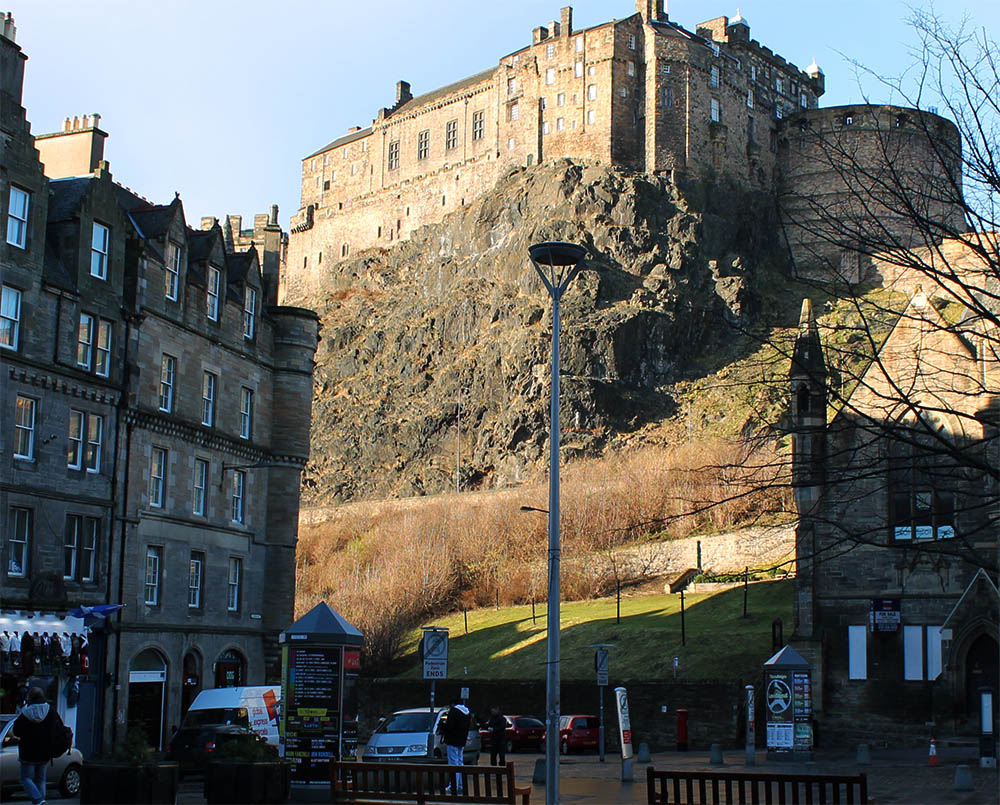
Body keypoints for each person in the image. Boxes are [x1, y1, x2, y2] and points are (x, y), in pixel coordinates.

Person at [13, 687, 62, 805]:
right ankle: (41, 801)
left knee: (25, 778)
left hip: (28, 752)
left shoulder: (25, 713)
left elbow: (17, 731)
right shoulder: (51, 711)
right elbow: (58, 728)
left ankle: (39, 800)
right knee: (41, 780)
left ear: (30, 697)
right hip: (45, 751)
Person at [438, 699, 471, 793]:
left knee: (453, 763)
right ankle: (460, 785)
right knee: (460, 762)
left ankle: (453, 785)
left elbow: (450, 727)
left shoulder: (454, 711)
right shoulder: (467, 713)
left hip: (452, 740)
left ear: (452, 704)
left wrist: (442, 726)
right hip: (461, 740)